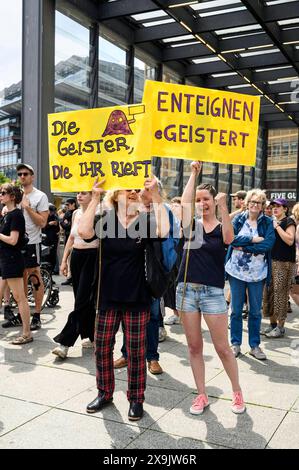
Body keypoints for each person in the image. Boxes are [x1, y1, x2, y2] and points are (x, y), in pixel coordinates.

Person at [78, 177, 170, 421]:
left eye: (135, 189)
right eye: (127, 189)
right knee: (102, 348)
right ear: (115, 195)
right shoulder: (104, 220)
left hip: (137, 297)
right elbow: (84, 232)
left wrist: (156, 195)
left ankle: (136, 398)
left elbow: (164, 231)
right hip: (107, 296)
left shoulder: (145, 221)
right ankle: (105, 393)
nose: (132, 192)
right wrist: (95, 198)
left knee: (137, 352)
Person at [177, 161, 246, 415]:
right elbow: (184, 205)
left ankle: (237, 392)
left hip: (213, 293)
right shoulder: (190, 225)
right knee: (194, 347)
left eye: (206, 199)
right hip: (186, 291)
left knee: (222, 348)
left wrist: (224, 206)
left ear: (213, 201)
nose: (201, 203)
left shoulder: (219, 227)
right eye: (198, 199)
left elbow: (229, 238)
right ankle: (202, 395)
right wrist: (193, 172)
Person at [114, 181, 179, 374]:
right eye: (141, 190)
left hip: (153, 271)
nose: (141, 193)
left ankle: (152, 357)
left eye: (148, 190)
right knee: (128, 315)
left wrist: (165, 267)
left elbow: (171, 237)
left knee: (152, 316)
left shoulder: (164, 210)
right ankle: (126, 354)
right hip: (131, 272)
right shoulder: (132, 209)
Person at [225, 189, 275, 360]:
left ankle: (255, 346)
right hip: (236, 272)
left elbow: (268, 244)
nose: (255, 205)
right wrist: (252, 240)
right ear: (247, 203)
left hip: (257, 274)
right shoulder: (238, 219)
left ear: (262, 206)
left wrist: (245, 247)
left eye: (259, 203)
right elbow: (231, 239)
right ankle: (235, 343)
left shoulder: (267, 222)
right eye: (252, 201)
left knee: (255, 311)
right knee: (236, 310)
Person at [52, 191, 98, 359]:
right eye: (78, 193)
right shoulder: (76, 213)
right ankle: (92, 336)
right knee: (82, 299)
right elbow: (71, 238)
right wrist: (64, 260)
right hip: (77, 256)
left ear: (92, 196)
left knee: (82, 301)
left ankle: (65, 342)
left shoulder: (100, 211)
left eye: (84, 193)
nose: (79, 196)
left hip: (92, 257)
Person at [15, 163, 49, 331]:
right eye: (20, 174)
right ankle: (22, 313)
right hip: (14, 243)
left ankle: (36, 314)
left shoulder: (40, 196)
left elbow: (42, 222)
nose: (22, 176)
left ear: (32, 176)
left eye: (26, 174)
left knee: (34, 275)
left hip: (32, 242)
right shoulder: (14, 195)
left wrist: (27, 208)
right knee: (18, 277)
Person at [0, 184, 32, 344]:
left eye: (3, 193)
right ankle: (26, 332)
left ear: (12, 196)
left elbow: (13, 240)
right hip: (5, 260)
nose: (1, 195)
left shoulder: (16, 215)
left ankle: (27, 333)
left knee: (20, 298)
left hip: (12, 260)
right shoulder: (8, 215)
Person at [263, 198, 296, 338]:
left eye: (278, 206)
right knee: (268, 293)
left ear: (285, 209)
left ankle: (280, 327)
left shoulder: (289, 222)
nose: (275, 209)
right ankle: (272, 325)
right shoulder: (271, 221)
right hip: (271, 262)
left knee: (280, 295)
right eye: (273, 206)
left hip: (284, 263)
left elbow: (290, 240)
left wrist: (277, 227)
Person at [164, 197, 184, 325]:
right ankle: (176, 314)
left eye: (176, 206)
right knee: (170, 288)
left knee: (181, 287)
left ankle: (183, 314)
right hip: (172, 259)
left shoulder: (188, 223)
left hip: (183, 260)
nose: (173, 208)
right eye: (172, 206)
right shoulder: (169, 222)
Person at [60, 198, 77, 286]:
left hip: (74, 238)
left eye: (68, 205)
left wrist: (66, 224)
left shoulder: (76, 212)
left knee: (72, 258)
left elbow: (69, 226)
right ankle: (69, 277)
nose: (66, 206)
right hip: (68, 236)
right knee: (67, 258)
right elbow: (63, 224)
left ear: (73, 204)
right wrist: (66, 224)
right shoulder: (67, 213)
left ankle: (73, 277)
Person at [42, 204, 60, 273]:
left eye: (54, 212)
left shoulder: (55, 217)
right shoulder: (44, 217)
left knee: (53, 257)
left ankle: (51, 271)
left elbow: (58, 229)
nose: (52, 213)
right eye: (51, 211)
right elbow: (42, 227)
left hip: (53, 239)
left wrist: (56, 225)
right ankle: (46, 272)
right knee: (46, 257)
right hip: (46, 239)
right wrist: (49, 224)